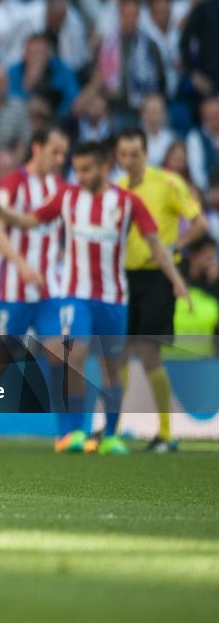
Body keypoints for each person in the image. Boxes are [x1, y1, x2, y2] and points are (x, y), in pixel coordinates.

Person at [0, 141, 188, 456]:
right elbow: (27, 221)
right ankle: (76, 432)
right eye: (77, 169)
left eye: (86, 169)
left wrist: (176, 280)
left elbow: (154, 243)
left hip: (114, 298)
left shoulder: (127, 203)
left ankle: (110, 435)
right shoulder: (67, 197)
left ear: (103, 167)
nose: (80, 176)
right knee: (75, 353)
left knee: (112, 365)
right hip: (75, 295)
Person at [0, 127, 69, 453]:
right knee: (0, 361)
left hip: (48, 291)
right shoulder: (13, 184)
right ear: (37, 147)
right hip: (12, 291)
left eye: (64, 154)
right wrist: (20, 263)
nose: (60, 159)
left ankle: (66, 435)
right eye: (55, 151)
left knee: (57, 354)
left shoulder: (59, 188)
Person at [113, 128, 206, 453]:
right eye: (123, 155)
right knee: (119, 354)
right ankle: (116, 429)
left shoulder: (168, 183)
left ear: (146, 152)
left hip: (158, 278)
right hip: (124, 277)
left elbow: (200, 222)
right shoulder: (117, 188)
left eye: (135, 154)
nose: (129, 161)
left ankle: (166, 433)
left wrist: (174, 245)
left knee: (150, 354)